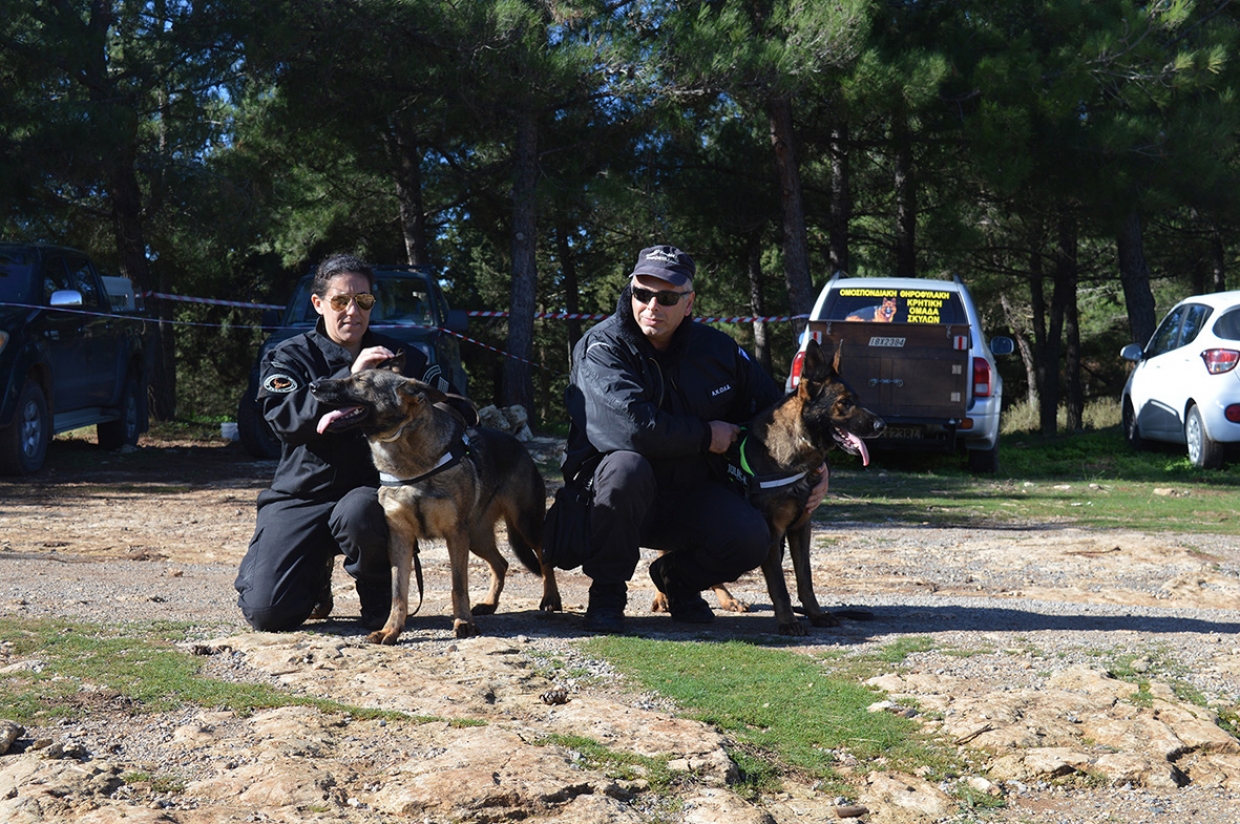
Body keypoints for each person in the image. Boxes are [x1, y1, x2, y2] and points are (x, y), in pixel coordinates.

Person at [561, 244, 830, 633]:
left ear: (688, 303)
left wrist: (815, 467)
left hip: (690, 492)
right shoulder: (602, 348)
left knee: (751, 537)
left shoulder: (717, 349)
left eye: (667, 297)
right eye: (642, 293)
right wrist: (706, 435)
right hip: (612, 501)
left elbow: (779, 413)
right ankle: (606, 595)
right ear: (631, 291)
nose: (652, 305)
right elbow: (633, 429)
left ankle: (679, 581)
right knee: (626, 465)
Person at [234, 253, 457, 632]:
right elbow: (282, 420)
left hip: (370, 494)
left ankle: (378, 598)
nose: (353, 310)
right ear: (318, 304)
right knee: (267, 614)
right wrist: (351, 376)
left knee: (360, 511)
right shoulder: (289, 355)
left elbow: (450, 412)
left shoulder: (404, 359)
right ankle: (314, 578)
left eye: (363, 300)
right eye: (341, 300)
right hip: (303, 493)